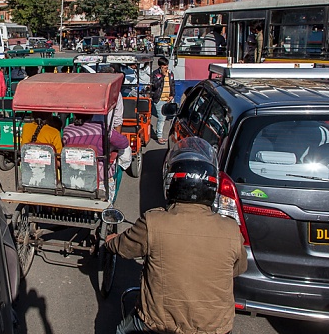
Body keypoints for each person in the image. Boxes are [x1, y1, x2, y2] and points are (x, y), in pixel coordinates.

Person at [106, 137, 247, 334]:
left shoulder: (153, 221)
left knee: (122, 331)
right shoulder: (231, 230)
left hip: (159, 322)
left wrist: (110, 242)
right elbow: (238, 268)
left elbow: (124, 248)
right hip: (215, 326)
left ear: (171, 183)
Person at [62, 113, 128, 193]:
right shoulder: (102, 129)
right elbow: (124, 143)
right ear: (92, 115)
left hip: (72, 176)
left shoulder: (68, 130)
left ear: (75, 115)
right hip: (99, 178)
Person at [151, 57, 174, 144]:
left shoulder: (171, 73)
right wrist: (162, 76)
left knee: (168, 117)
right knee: (161, 118)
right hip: (159, 99)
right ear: (160, 66)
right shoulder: (156, 74)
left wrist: (172, 95)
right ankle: (159, 136)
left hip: (168, 99)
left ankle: (163, 135)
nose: (166, 67)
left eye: (167, 65)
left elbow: (173, 84)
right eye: (164, 66)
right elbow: (155, 85)